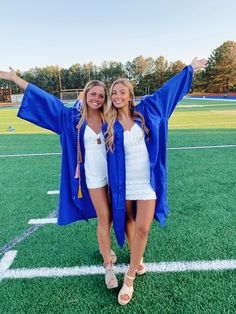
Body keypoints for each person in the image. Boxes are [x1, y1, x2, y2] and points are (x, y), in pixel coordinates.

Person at [0, 68, 118, 289]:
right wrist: (16, 79)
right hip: (91, 179)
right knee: (104, 218)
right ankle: (108, 265)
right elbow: (45, 100)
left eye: (101, 96)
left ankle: (107, 247)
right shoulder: (70, 117)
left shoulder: (110, 117)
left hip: (113, 177)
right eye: (93, 94)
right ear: (85, 95)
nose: (97, 99)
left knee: (111, 216)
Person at [104, 58, 207, 305]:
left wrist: (189, 69)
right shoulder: (107, 122)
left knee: (143, 228)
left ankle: (129, 276)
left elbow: (166, 93)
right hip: (123, 184)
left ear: (130, 95)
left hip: (146, 183)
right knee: (128, 219)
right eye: (114, 92)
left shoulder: (146, 111)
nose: (117, 95)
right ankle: (136, 260)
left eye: (122, 92)